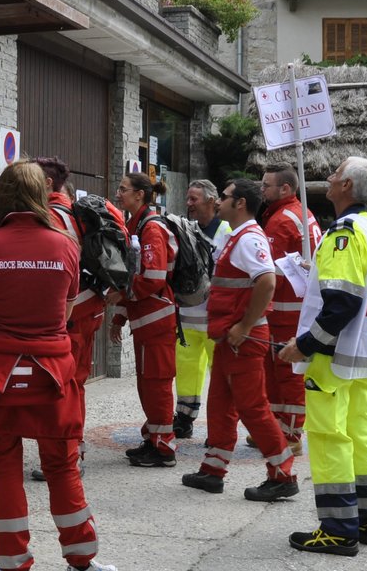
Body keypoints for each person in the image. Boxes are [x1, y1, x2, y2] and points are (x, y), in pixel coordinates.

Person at [0, 161, 118, 571]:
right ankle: (82, 564)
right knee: (62, 465)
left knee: (5, 464)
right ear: (41, 193)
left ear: (1, 196)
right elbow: (66, 311)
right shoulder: (65, 246)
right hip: (53, 369)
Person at [277, 157, 367, 555]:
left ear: (345, 185)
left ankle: (338, 528)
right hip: (365, 353)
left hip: (334, 353)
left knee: (329, 437)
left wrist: (305, 344)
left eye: (334, 174)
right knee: (361, 436)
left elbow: (341, 303)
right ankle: (366, 520)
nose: (326, 179)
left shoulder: (344, 231)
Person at [180, 178, 297, 500]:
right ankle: (213, 470)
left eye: (226, 196)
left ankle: (282, 474)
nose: (220, 202)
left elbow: (267, 282)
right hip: (229, 338)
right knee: (220, 404)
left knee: (253, 408)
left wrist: (244, 327)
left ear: (240, 203)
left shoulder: (248, 239)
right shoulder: (239, 236)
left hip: (241, 339)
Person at [30, 157, 116, 484]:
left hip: (72, 313)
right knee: (74, 383)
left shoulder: (53, 216)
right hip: (88, 306)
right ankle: (70, 450)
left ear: (47, 184)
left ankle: (68, 454)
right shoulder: (76, 212)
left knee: (66, 386)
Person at [111, 171, 179, 467]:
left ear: (140, 195)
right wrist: (120, 316)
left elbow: (151, 277)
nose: (118, 193)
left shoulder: (151, 229)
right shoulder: (136, 225)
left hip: (156, 321)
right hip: (147, 320)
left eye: (123, 189)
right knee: (147, 383)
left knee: (156, 383)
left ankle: (164, 448)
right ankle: (153, 437)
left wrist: (120, 299)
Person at [259, 168, 322, 452]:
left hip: (285, 310)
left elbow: (269, 274)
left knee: (286, 371)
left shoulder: (281, 221)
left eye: (266, 185)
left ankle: (291, 434)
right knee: (281, 371)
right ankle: (278, 426)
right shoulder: (303, 213)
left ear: (285, 189)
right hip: (297, 307)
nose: (261, 190)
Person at [173, 179, 232, 439]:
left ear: (211, 201)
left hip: (214, 320)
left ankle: (219, 427)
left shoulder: (229, 232)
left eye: (193, 199)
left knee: (220, 378)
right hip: (186, 319)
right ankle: (184, 416)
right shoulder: (187, 229)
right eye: (187, 199)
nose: (189, 204)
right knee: (185, 370)